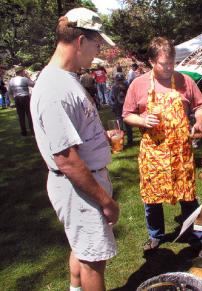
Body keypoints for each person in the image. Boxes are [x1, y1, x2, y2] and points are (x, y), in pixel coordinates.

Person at [30, 7, 120, 291]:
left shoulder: (67, 78)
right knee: (94, 260)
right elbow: (67, 160)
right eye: (96, 44)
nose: (98, 52)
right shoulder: (55, 87)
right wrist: (106, 201)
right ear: (80, 41)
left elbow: (72, 134)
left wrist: (99, 135)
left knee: (83, 248)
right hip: (78, 186)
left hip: (83, 182)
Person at [123, 37, 202, 258]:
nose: (170, 67)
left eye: (172, 62)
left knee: (188, 196)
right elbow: (127, 115)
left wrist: (199, 121)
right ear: (152, 61)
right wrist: (142, 121)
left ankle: (196, 237)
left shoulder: (185, 81)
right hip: (153, 152)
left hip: (180, 153)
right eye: (164, 63)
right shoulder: (138, 84)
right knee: (152, 197)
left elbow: (200, 105)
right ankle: (156, 235)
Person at [8, 67, 35, 135]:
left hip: (17, 98)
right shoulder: (24, 79)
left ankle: (23, 132)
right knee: (29, 114)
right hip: (25, 98)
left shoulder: (11, 80)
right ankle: (32, 131)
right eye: (23, 71)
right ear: (21, 72)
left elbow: (10, 91)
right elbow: (33, 84)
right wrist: (28, 77)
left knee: (21, 116)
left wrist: (12, 101)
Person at [110, 72, 133, 146]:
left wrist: (113, 106)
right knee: (128, 125)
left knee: (119, 126)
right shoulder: (127, 86)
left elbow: (112, 98)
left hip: (118, 108)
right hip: (126, 107)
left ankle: (120, 142)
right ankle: (130, 141)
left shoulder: (114, 87)